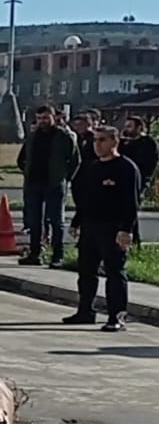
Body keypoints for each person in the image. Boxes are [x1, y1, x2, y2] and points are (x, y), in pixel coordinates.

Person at [64, 126, 142, 332]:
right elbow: (86, 199)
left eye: (102, 140)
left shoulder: (126, 168)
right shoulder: (92, 168)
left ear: (114, 143)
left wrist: (126, 229)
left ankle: (117, 316)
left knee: (115, 273)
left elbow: (131, 202)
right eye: (95, 140)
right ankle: (85, 311)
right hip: (91, 227)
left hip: (114, 228)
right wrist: (77, 221)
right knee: (86, 272)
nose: (97, 145)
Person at [16, 104, 79, 267]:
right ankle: (35, 253)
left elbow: (75, 160)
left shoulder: (63, 136)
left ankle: (57, 255)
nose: (42, 121)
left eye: (45, 118)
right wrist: (28, 172)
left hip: (54, 184)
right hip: (33, 184)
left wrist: (65, 177)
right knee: (34, 221)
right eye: (39, 118)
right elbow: (22, 158)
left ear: (53, 117)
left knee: (56, 221)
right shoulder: (33, 136)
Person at [120, 116, 157, 245]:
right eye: (126, 126)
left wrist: (146, 180)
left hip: (139, 180)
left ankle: (135, 241)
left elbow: (150, 163)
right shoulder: (123, 143)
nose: (126, 129)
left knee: (131, 210)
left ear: (139, 127)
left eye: (130, 126)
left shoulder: (148, 143)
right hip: (122, 180)